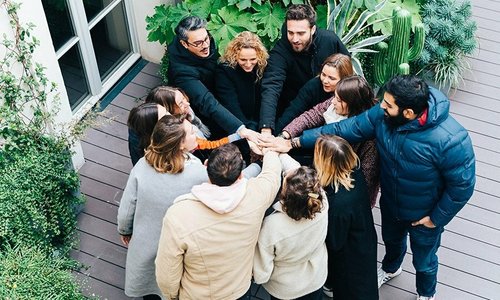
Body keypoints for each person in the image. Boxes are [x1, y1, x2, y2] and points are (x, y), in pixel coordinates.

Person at [261, 75, 476, 300]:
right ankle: (391, 268)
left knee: (425, 260)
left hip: (424, 213)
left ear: (408, 113)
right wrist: (293, 142)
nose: (381, 106)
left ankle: (426, 293)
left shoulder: (451, 140)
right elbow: (347, 128)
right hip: (392, 203)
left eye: (388, 105)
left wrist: (435, 218)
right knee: (392, 241)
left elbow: (462, 186)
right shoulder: (384, 115)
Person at [155, 143, 283, 300]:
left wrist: (171, 296)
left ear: (206, 165)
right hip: (238, 290)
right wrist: (270, 149)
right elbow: (272, 175)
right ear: (241, 175)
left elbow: (167, 272)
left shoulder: (179, 215)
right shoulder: (257, 195)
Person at [117, 115, 208, 300]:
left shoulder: (142, 166)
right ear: (180, 144)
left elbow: (127, 206)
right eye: (191, 132)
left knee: (149, 288)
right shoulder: (198, 172)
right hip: (179, 245)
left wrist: (125, 230)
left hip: (146, 244)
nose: (196, 133)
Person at [282, 75, 380, 206]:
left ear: (353, 104)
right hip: (326, 173)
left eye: (339, 100)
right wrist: (285, 134)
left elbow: (367, 177)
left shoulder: (370, 140)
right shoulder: (335, 103)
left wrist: (359, 206)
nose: (333, 102)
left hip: (346, 189)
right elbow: (311, 116)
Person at [259, 4, 349, 134]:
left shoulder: (329, 40)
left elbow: (347, 70)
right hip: (291, 109)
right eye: (291, 33)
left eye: (301, 33)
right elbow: (271, 87)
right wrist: (266, 127)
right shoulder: (281, 51)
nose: (295, 39)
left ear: (312, 29)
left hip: (329, 107)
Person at [167, 16, 259, 142]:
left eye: (206, 39)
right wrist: (240, 129)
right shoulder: (182, 72)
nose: (205, 45)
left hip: (217, 87)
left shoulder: (205, 43)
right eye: (198, 43)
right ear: (184, 44)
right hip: (202, 110)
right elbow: (207, 102)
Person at [313, 135, 378, 299]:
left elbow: (334, 242)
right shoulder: (354, 173)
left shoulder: (338, 204)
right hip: (364, 243)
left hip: (349, 261)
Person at [253, 166, 328, 300]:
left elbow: (262, 270)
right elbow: (296, 169)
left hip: (286, 289)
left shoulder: (272, 226)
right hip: (316, 276)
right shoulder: (322, 204)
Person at [275, 53, 353, 133]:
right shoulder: (314, 85)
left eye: (331, 78)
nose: (325, 81)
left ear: (344, 80)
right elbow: (294, 111)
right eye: (323, 74)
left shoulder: (352, 95)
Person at [216, 31, 269, 131]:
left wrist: (264, 126)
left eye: (253, 59)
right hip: (238, 124)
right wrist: (249, 130)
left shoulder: (263, 66)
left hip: (261, 122)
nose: (248, 64)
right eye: (243, 60)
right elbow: (231, 105)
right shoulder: (225, 71)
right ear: (235, 56)